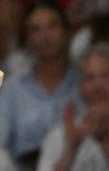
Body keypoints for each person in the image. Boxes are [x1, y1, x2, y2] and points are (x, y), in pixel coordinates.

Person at [0, 0, 79, 168]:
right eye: (35, 30)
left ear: (67, 31)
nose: (45, 36)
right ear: (27, 38)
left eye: (52, 26)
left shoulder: (84, 83)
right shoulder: (12, 89)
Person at [36, 42, 109, 171]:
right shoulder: (58, 137)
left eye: (106, 76)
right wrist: (71, 150)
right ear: (81, 86)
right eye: (90, 78)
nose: (97, 85)